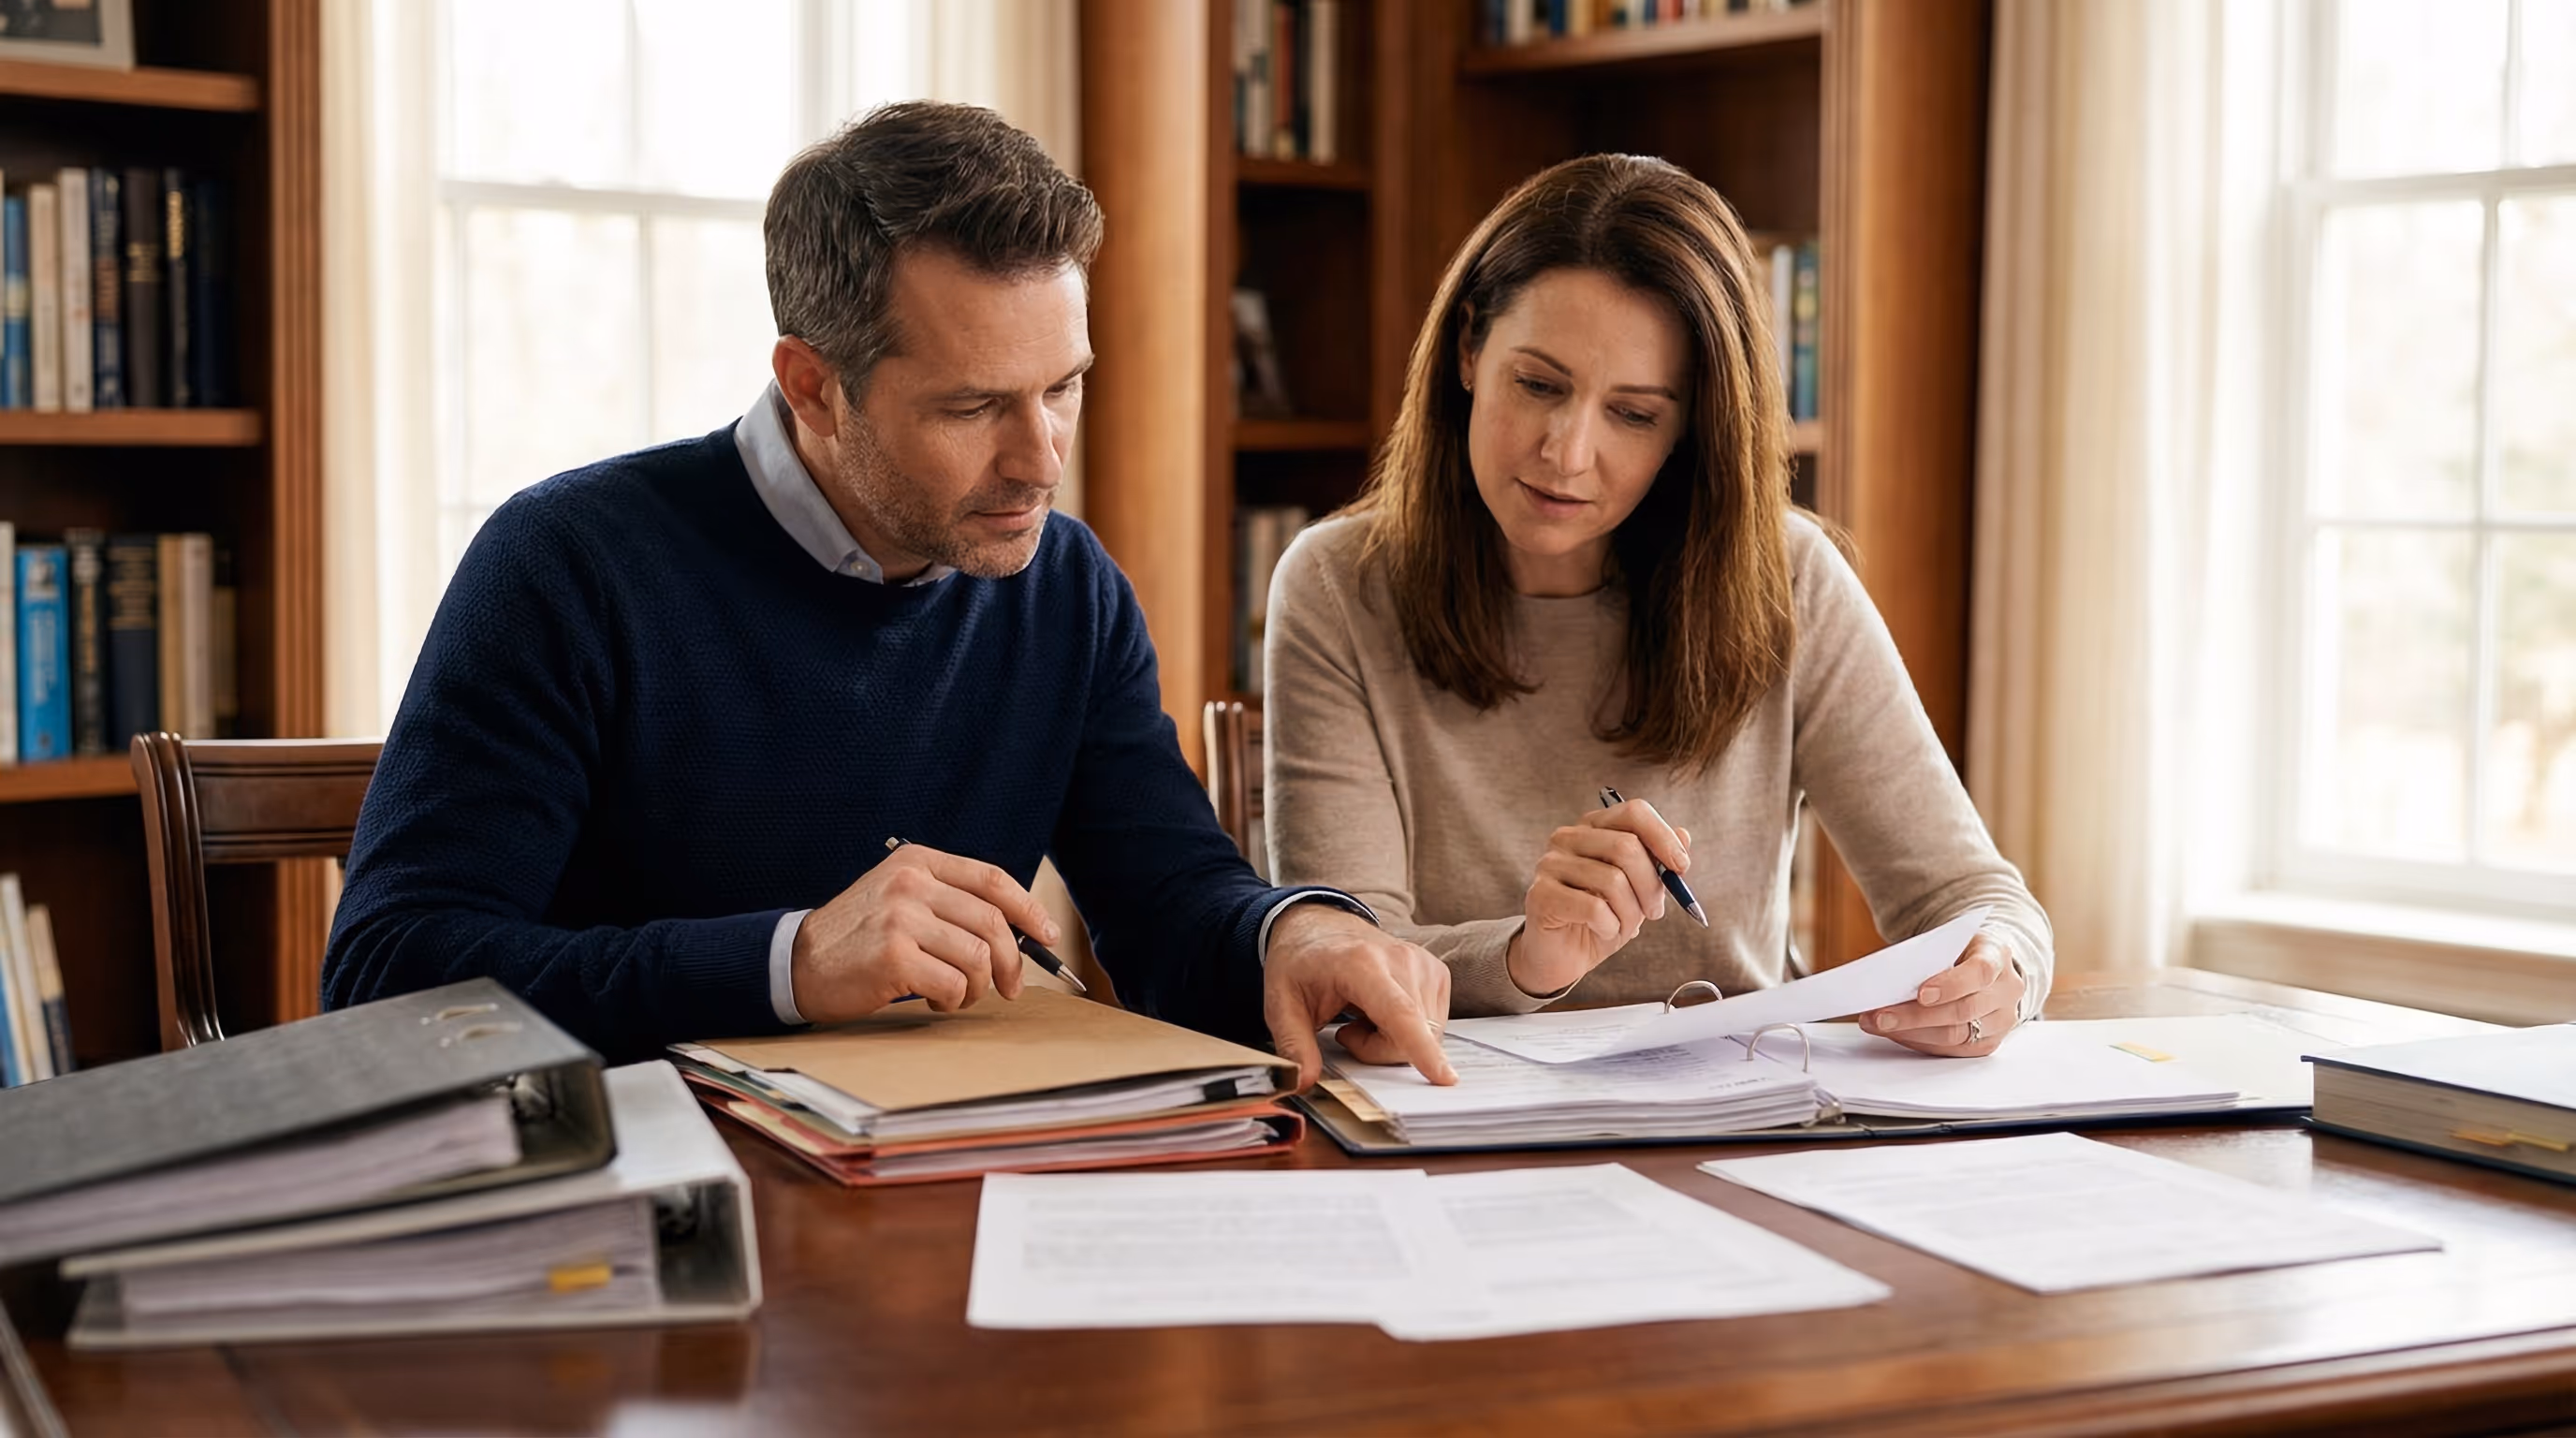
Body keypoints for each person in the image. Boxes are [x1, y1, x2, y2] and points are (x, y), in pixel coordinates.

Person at [324, 102, 1454, 1089]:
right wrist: (793, 962)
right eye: (971, 409)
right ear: (813, 387)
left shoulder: (1064, 586)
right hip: (641, 1210)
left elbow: (1167, 897)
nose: (1039, 459)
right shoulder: (566, 563)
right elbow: (386, 977)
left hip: (933, 1196)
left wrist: (1288, 934)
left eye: (1062, 387)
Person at [1264, 154, 2051, 1055]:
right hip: (1454, 1128)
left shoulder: (1788, 579)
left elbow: (1976, 899)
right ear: (1470, 349)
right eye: (1540, 385)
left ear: (1690, 429)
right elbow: (1348, 962)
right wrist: (1529, 959)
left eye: (1634, 414)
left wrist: (2002, 973)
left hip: (1740, 1119)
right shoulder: (1337, 585)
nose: (1568, 453)